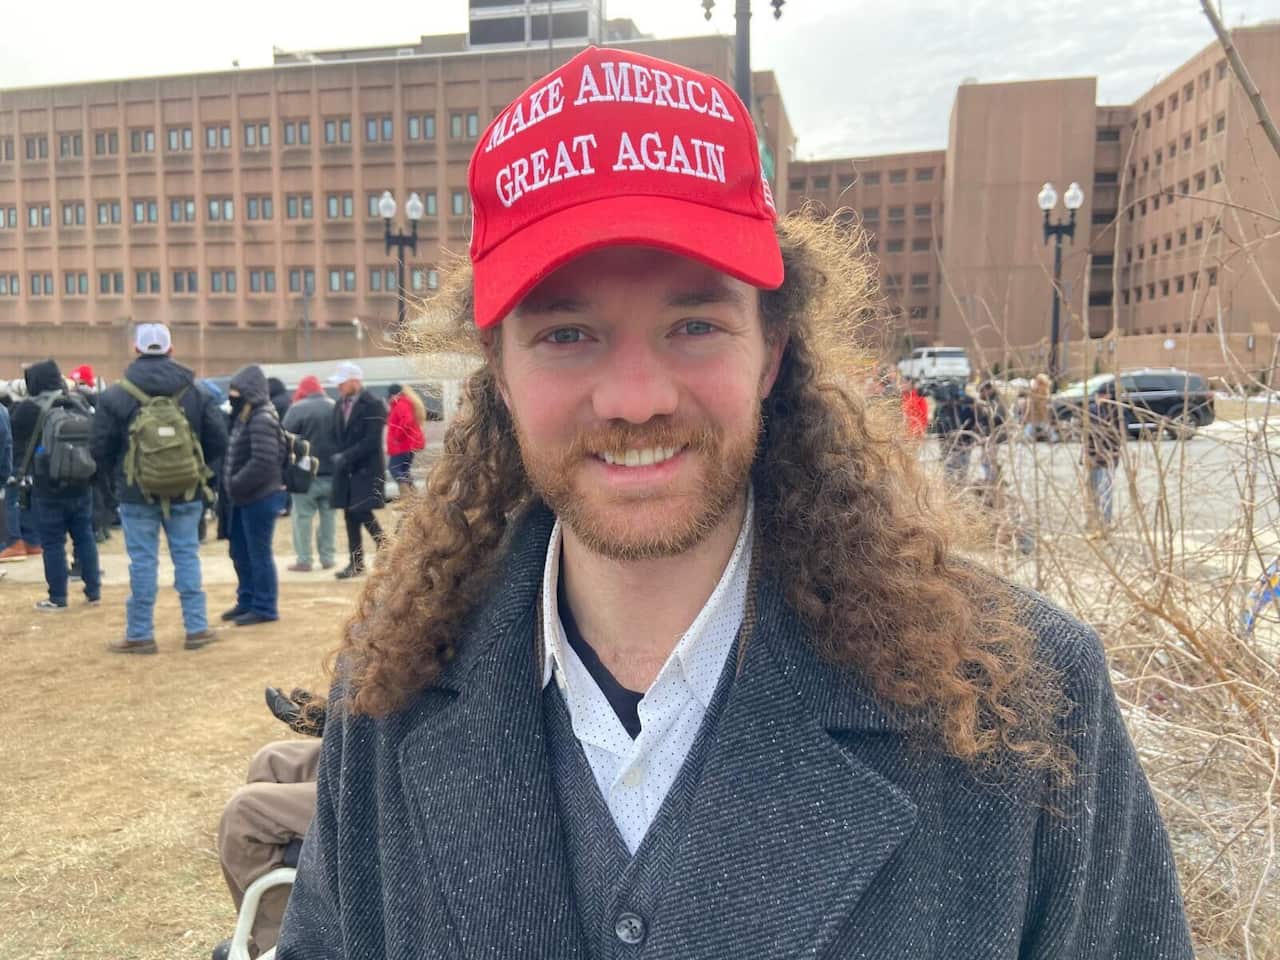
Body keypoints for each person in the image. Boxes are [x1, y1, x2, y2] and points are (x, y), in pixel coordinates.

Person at [278, 48, 1192, 959]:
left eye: (695, 325)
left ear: (774, 349)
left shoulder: (1021, 705)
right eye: (566, 333)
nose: (635, 398)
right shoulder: (391, 697)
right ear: (500, 373)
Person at [92, 323, 229, 653]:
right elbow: (219, 439)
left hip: (137, 493)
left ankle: (140, 633)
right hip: (186, 490)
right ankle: (196, 629)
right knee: (187, 556)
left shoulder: (115, 394)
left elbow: (99, 448)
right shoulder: (195, 391)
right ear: (171, 349)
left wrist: (119, 480)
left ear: (136, 349)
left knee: (142, 562)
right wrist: (199, 473)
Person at [214, 688, 325, 960]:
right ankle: (284, 933)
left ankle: (287, 948)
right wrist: (335, 720)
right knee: (273, 759)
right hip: (393, 754)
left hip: (412, 785)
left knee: (245, 813)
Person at [11, 359, 100, 611]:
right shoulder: (77, 402)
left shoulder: (28, 408)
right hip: (81, 482)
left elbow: (18, 444)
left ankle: (58, 597)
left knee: (52, 543)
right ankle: (93, 591)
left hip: (47, 485)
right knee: (85, 537)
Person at [223, 365, 284, 626]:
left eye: (236, 390)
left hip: (259, 497)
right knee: (241, 552)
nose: (232, 395)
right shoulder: (246, 415)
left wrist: (235, 483)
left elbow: (264, 461)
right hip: (245, 497)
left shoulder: (261, 417)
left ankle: (265, 606)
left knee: (258, 554)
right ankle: (247, 600)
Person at [328, 362, 386, 579]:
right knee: (350, 514)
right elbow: (334, 434)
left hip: (365, 469)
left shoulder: (373, 405)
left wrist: (346, 456)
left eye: (342, 383)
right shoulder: (338, 405)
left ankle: (385, 545)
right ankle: (356, 562)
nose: (339, 388)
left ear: (355, 381)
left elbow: (371, 440)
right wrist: (337, 454)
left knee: (360, 509)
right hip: (345, 469)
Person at [282, 376, 338, 572]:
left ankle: (304, 560)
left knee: (303, 518)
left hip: (304, 476)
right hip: (332, 473)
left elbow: (284, 438)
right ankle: (328, 558)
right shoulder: (334, 406)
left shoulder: (297, 408)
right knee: (329, 517)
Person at [1083, 380, 1126, 539]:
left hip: (1106, 457)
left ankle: (1103, 525)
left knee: (1103, 492)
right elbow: (1087, 435)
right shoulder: (1096, 411)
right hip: (1099, 457)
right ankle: (1095, 523)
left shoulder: (1115, 413)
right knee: (1095, 491)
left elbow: (1118, 435)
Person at [384, 383, 425, 499]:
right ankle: (414, 497)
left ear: (395, 395)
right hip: (406, 444)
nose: (389, 398)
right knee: (404, 470)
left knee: (394, 469)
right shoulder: (404, 403)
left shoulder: (401, 404)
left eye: (390, 396)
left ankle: (407, 498)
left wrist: (397, 437)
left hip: (402, 444)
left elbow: (407, 421)